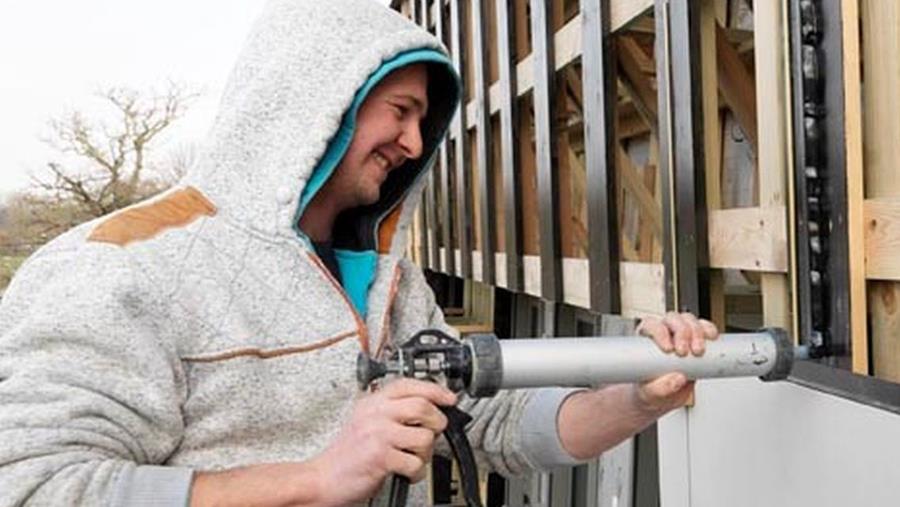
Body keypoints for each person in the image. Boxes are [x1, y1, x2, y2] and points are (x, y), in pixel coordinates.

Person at [0, 1, 717, 505]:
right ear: (312, 101)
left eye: (422, 122)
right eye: (400, 111)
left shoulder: (384, 283)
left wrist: (636, 397)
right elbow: (33, 486)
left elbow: (492, 426)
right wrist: (317, 476)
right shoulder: (117, 266)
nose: (413, 143)